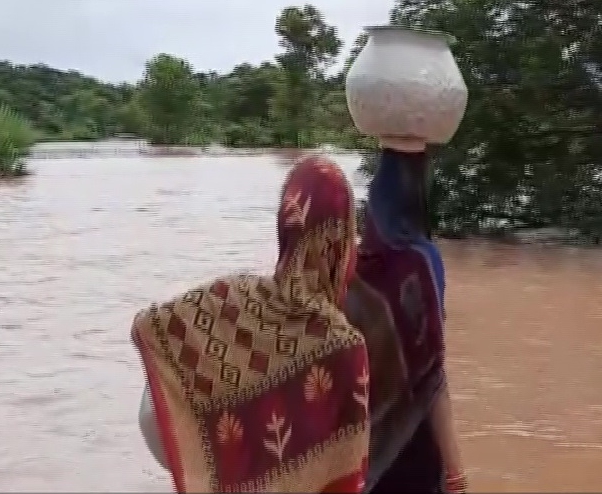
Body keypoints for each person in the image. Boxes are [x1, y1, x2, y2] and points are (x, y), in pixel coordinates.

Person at [133, 155, 369, 493]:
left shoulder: (230, 299)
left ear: (284, 228)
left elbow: (148, 330)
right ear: (342, 241)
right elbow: (347, 473)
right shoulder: (343, 344)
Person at [344, 146, 467, 494]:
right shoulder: (422, 262)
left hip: (364, 451)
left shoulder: (350, 268)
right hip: (416, 444)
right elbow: (432, 375)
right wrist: (457, 474)